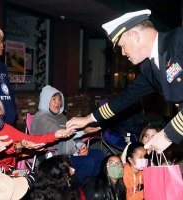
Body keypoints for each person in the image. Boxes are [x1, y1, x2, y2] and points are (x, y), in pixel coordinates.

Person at [66, 9, 183, 153]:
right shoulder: (149, 68)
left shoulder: (179, 40)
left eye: (122, 46)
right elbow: (124, 99)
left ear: (136, 36)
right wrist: (88, 119)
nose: (123, 53)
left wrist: (168, 134)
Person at [0, 95, 74, 177]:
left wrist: (55, 135)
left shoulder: (5, 129)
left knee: (35, 176)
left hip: (10, 172)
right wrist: (19, 146)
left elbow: (31, 139)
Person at [31, 85, 104, 182]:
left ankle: (92, 186)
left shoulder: (60, 117)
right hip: (51, 158)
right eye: (53, 99)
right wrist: (78, 147)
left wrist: (81, 146)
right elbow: (63, 137)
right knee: (89, 162)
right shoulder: (43, 118)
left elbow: (69, 136)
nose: (58, 102)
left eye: (59, 99)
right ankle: (77, 188)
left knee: (99, 154)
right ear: (45, 100)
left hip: (65, 152)